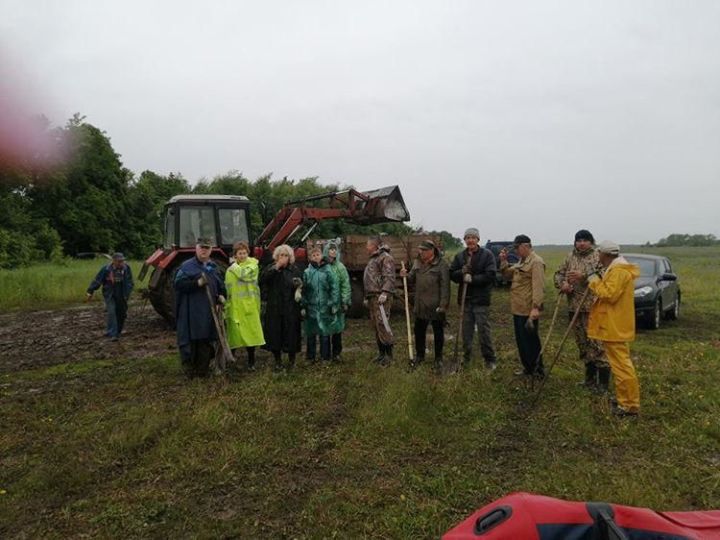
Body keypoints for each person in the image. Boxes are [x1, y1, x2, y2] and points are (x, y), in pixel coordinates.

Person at [586, 241, 641, 417]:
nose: (598, 257)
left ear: (606, 254)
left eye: (599, 253)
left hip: (615, 325)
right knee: (619, 365)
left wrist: (593, 280)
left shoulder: (619, 271)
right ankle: (624, 399)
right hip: (614, 324)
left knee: (621, 366)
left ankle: (629, 406)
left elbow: (609, 294)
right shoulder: (617, 269)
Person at [554, 229, 610, 392]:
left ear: (591, 242)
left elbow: (603, 275)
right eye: (578, 240)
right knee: (583, 344)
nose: (581, 243)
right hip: (574, 308)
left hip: (593, 308)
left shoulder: (598, 256)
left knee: (597, 344)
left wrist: (583, 275)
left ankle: (603, 384)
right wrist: (562, 284)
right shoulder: (570, 257)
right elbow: (559, 273)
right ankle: (589, 379)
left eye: (585, 240)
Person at [174, 238, 227, 378]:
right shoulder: (186, 267)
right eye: (201, 247)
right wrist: (196, 283)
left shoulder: (213, 267)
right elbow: (178, 285)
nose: (204, 250)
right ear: (196, 248)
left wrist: (221, 296)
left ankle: (203, 370)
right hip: (191, 311)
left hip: (209, 312)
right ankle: (190, 370)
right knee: (192, 340)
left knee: (206, 338)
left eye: (207, 248)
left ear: (211, 250)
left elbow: (220, 285)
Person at [449, 228, 498, 370]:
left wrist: (473, 279)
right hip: (465, 300)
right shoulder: (460, 256)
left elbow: (491, 275)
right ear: (464, 240)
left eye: (473, 237)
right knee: (466, 331)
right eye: (467, 237)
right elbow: (452, 274)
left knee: (483, 330)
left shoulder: (487, 255)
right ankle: (467, 358)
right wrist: (461, 273)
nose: (470, 240)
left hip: (481, 299)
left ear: (478, 239)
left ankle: (490, 359)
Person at [499, 234, 545, 378]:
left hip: (528, 310)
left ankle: (537, 370)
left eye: (517, 248)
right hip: (518, 308)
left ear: (526, 246)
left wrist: (536, 307)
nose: (516, 251)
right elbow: (507, 275)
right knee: (521, 341)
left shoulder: (536, 262)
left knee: (531, 341)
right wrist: (503, 261)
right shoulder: (522, 261)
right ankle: (527, 368)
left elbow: (538, 287)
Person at [401, 240, 450, 372]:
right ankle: (420, 356)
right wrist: (404, 275)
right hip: (420, 304)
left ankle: (438, 358)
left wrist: (443, 305)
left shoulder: (441, 265)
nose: (420, 252)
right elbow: (411, 278)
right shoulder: (417, 262)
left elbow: (445, 287)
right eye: (419, 249)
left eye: (423, 250)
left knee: (438, 332)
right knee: (419, 331)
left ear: (431, 251)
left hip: (436, 305)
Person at [259, 244, 303, 371]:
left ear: (290, 257)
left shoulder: (294, 269)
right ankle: (278, 361)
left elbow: (301, 284)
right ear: (276, 257)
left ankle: (292, 361)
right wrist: (276, 267)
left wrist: (299, 286)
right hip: (275, 307)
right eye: (281, 255)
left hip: (290, 307)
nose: (283, 258)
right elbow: (262, 279)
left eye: (286, 255)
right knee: (275, 334)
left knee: (291, 334)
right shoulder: (271, 268)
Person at [224, 241, 265, 371]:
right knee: (234, 335)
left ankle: (251, 362)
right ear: (235, 255)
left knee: (250, 335)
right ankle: (231, 361)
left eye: (244, 253)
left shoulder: (252, 266)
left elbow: (244, 275)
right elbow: (228, 288)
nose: (242, 255)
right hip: (234, 307)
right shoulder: (230, 270)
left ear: (248, 253)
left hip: (249, 306)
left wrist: (233, 266)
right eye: (239, 253)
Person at [303, 246, 340, 364]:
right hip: (311, 308)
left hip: (325, 307)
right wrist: (303, 306)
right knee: (311, 334)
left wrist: (333, 304)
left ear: (321, 256)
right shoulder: (307, 272)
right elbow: (303, 290)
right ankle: (310, 357)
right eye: (313, 255)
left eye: (317, 255)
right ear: (310, 258)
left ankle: (325, 357)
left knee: (325, 334)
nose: (316, 257)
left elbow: (334, 288)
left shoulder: (328, 270)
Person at [86, 252, 134, 341]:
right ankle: (113, 334)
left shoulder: (126, 268)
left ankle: (117, 331)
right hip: (110, 294)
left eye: (122, 261)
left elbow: (130, 281)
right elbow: (97, 280)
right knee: (112, 312)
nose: (121, 263)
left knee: (122, 313)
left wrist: (128, 291)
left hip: (122, 294)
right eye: (119, 261)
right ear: (114, 261)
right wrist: (90, 290)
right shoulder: (106, 269)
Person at [363, 236, 396, 365]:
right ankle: (381, 353)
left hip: (381, 297)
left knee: (383, 324)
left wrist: (385, 292)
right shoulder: (373, 258)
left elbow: (389, 276)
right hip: (372, 297)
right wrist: (366, 296)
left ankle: (389, 355)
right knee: (376, 325)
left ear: (375, 246)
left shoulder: (385, 257)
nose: (366, 247)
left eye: (368, 245)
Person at [323, 241, 351, 361]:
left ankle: (336, 354)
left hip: (337, 303)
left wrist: (345, 301)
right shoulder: (322, 266)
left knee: (337, 329)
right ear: (326, 251)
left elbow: (345, 285)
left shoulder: (340, 267)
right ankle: (325, 355)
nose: (333, 251)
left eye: (335, 249)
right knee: (324, 330)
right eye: (331, 249)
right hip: (324, 303)